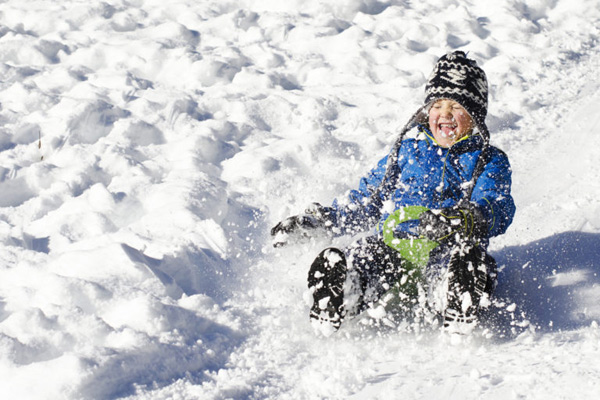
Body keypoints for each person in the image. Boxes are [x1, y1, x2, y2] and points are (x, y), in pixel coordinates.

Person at [271, 51, 515, 335]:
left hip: (447, 247)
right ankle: (342, 289)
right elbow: (367, 201)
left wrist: (470, 217)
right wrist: (322, 220)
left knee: (470, 260)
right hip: (393, 246)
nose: (445, 114)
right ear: (426, 111)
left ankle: (457, 293)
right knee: (365, 253)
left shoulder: (488, 160)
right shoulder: (407, 153)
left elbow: (499, 204)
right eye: (438, 105)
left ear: (474, 116)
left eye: (456, 106)